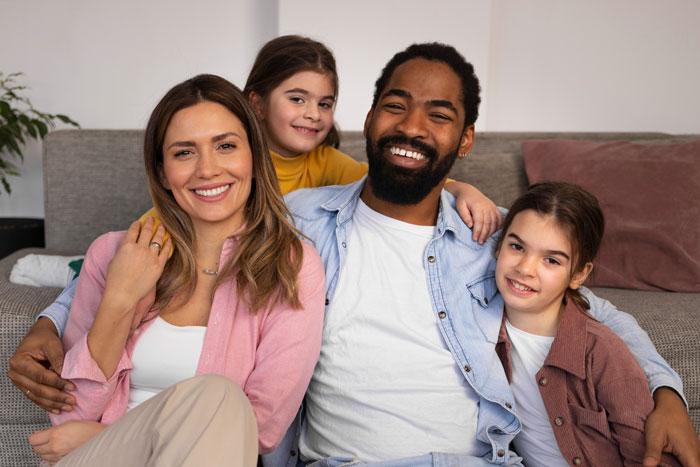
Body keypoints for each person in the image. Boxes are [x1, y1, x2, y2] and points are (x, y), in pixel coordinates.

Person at [10, 43, 700, 466]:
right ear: (366, 121)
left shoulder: (493, 242)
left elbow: (595, 308)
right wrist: (51, 319)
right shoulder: (293, 227)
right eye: (395, 105)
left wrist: (667, 391)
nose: (412, 124)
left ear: (465, 140)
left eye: (439, 114)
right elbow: (159, 243)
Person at [24, 74, 326, 465]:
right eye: (185, 153)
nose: (208, 169)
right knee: (217, 396)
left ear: (253, 154)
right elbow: (72, 413)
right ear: (163, 172)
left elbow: (263, 429)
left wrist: (104, 434)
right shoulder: (112, 253)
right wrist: (119, 297)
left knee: (218, 396)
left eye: (226, 146)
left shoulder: (293, 266)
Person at [493, 181, 680, 466]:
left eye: (551, 260)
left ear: (579, 274)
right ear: (498, 245)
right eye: (517, 246)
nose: (525, 268)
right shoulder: (484, 330)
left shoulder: (602, 351)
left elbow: (646, 455)